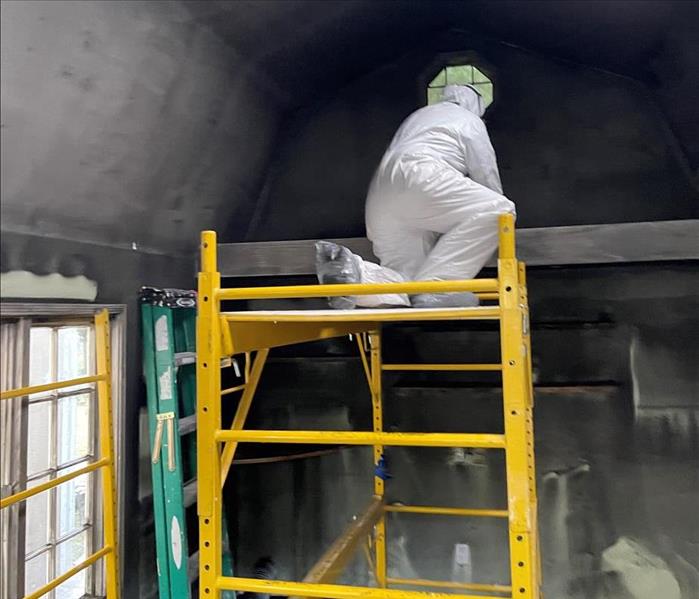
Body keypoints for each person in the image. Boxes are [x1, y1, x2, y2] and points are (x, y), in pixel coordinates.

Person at [316, 84, 515, 309]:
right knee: (500, 211)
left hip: (381, 198)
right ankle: (439, 286)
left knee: (407, 285)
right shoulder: (469, 120)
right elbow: (486, 176)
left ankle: (357, 273)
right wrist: (498, 235)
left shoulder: (417, 117)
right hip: (422, 179)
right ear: (474, 105)